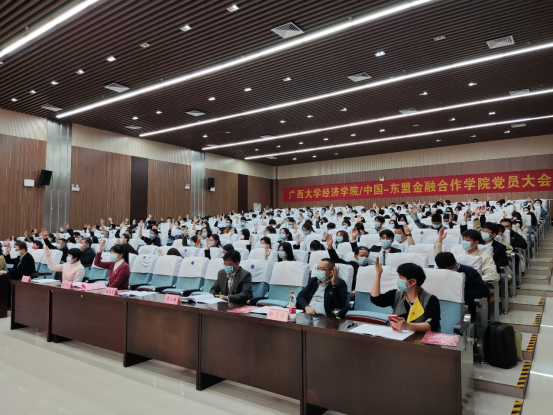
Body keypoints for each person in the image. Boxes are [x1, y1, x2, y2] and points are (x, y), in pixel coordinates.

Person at [371, 258, 441, 332]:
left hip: (421, 337)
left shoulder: (431, 300)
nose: (399, 280)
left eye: (401, 278)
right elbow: (376, 299)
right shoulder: (396, 294)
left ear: (413, 282)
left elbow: (432, 326)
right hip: (399, 336)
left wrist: (407, 326)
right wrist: (378, 274)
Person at [434, 227, 499, 283]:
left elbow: (493, 275)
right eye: (463, 240)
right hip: (453, 282)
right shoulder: (457, 253)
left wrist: (472, 279)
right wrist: (439, 240)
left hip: (472, 286)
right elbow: (440, 260)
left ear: (476, 242)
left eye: (467, 240)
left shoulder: (485, 257)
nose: (464, 242)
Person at [435, 252, 488, 319]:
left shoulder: (470, 272)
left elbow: (483, 291)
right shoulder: (438, 274)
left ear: (455, 262)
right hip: (443, 305)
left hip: (464, 305)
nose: (448, 272)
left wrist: (461, 294)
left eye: (450, 269)